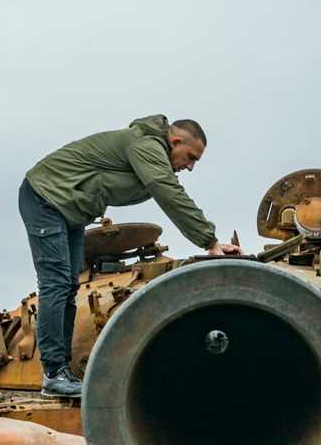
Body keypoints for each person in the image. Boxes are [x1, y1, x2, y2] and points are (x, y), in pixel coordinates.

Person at [19, 114, 241, 398]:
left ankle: (62, 372)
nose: (191, 166)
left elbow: (167, 187)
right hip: (44, 198)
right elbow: (167, 192)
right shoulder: (146, 146)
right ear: (174, 142)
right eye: (190, 157)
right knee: (57, 284)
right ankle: (53, 375)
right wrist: (209, 241)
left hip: (67, 210)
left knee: (70, 286)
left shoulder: (152, 151)